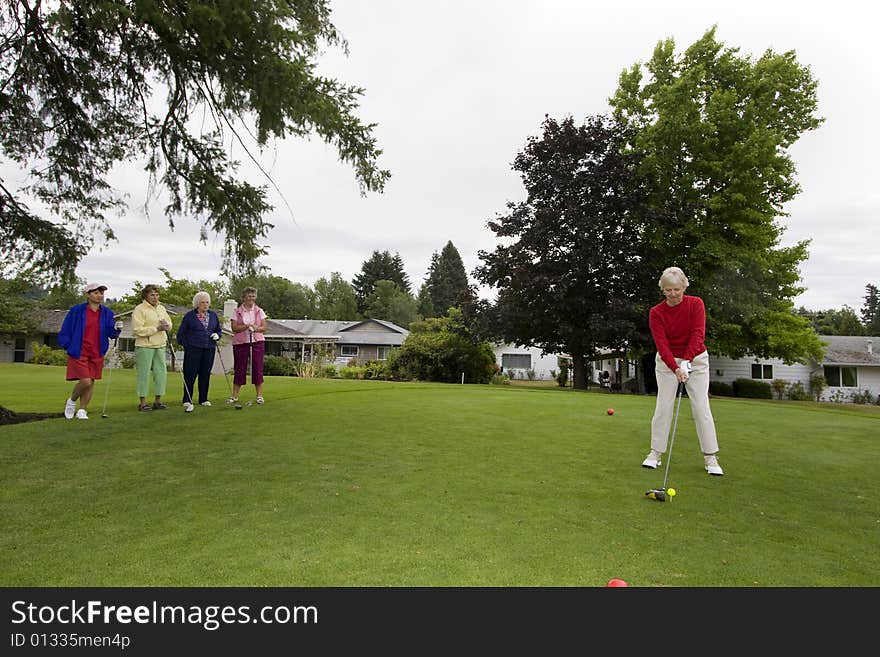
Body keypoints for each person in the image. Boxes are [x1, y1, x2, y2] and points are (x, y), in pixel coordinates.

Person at [642, 267, 723, 476]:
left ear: (684, 287)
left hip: (696, 359)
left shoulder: (696, 304)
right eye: (668, 290)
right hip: (668, 363)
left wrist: (687, 361)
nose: (672, 294)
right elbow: (661, 344)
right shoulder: (656, 312)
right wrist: (676, 367)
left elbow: (698, 334)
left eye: (676, 289)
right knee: (663, 407)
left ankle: (710, 457)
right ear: (663, 289)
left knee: (701, 407)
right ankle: (655, 453)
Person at [58, 283, 123, 420]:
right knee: (85, 381)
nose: (99, 296)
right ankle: (72, 401)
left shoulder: (107, 313)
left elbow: (111, 333)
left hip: (97, 351)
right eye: (95, 293)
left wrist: (117, 329)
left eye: (101, 293)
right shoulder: (77, 310)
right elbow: (66, 329)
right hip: (79, 350)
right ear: (88, 295)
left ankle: (82, 410)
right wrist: (67, 345)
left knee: (91, 381)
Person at [175, 291, 222, 412]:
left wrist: (217, 335)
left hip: (209, 349)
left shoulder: (213, 315)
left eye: (207, 302)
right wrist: (188, 345)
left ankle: (203, 398)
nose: (205, 305)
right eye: (202, 302)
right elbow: (181, 335)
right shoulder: (190, 316)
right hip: (193, 349)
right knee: (190, 374)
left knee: (205, 374)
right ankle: (187, 399)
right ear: (197, 304)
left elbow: (218, 329)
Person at [132, 284, 172, 411]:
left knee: (161, 373)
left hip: (160, 344)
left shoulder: (161, 308)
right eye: (152, 295)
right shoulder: (139, 309)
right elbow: (137, 330)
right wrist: (156, 329)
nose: (155, 297)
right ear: (146, 296)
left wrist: (167, 326)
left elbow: (169, 323)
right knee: (143, 374)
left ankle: (158, 401)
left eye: (157, 295)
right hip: (145, 345)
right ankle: (143, 403)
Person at [229, 286, 267, 404]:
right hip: (241, 343)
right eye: (249, 296)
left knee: (257, 367)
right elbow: (234, 328)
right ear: (244, 297)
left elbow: (264, 327)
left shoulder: (259, 311)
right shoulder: (237, 311)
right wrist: (246, 326)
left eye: (253, 296)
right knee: (239, 367)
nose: (251, 298)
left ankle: (259, 395)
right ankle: (234, 396)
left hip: (257, 342)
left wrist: (255, 328)